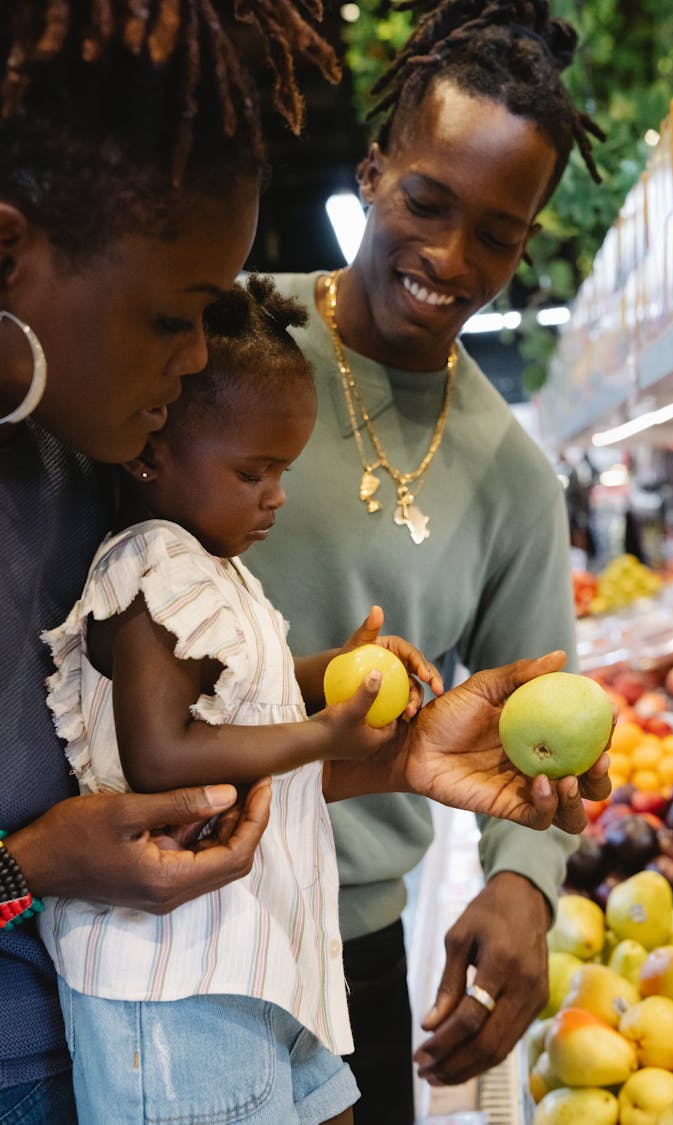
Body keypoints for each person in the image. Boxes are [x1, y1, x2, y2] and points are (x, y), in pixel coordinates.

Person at [39, 275, 593, 1125]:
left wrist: (338, 668)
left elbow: (239, 686)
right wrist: (321, 732)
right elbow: (162, 755)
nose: (278, 497)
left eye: (284, 471)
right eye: (253, 471)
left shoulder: (213, 573)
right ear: (153, 452)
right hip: (172, 979)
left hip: (249, 954)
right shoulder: (151, 571)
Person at [245, 1, 611, 1120]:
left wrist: (522, 884)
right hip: (136, 895)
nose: (451, 258)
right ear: (372, 170)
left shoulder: (510, 474)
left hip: (348, 940)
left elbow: (532, 706)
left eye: (498, 234)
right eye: (426, 201)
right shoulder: (223, 347)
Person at [0, 2, 343, 1119]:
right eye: (173, 317)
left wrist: (392, 744)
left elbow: (175, 744)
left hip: (107, 1037)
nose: (196, 360)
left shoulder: (83, 468)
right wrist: (33, 867)